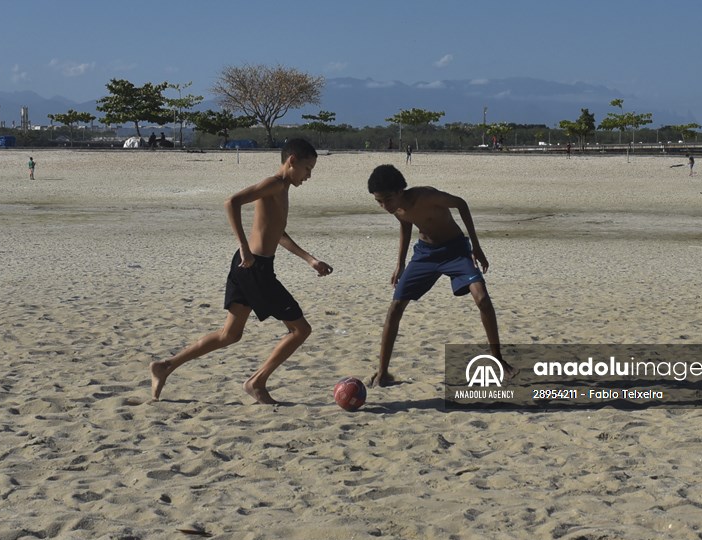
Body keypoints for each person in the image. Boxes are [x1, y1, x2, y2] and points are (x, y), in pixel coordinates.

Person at [148, 139, 333, 404]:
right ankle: (257, 382)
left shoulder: (282, 189)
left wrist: (309, 259)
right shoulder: (275, 184)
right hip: (254, 267)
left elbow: (277, 233)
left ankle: (165, 366)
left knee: (230, 334)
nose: (309, 176)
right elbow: (231, 202)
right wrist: (244, 246)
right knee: (300, 330)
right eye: (307, 168)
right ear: (291, 161)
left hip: (249, 267)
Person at [366, 164, 514, 387]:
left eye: (387, 199)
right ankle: (383, 373)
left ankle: (498, 359)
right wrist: (400, 262)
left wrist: (476, 245)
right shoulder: (396, 208)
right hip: (425, 254)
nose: (384, 206)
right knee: (395, 307)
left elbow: (461, 204)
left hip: (455, 250)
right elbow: (406, 226)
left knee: (482, 298)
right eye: (379, 201)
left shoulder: (427, 195)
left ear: (399, 191)